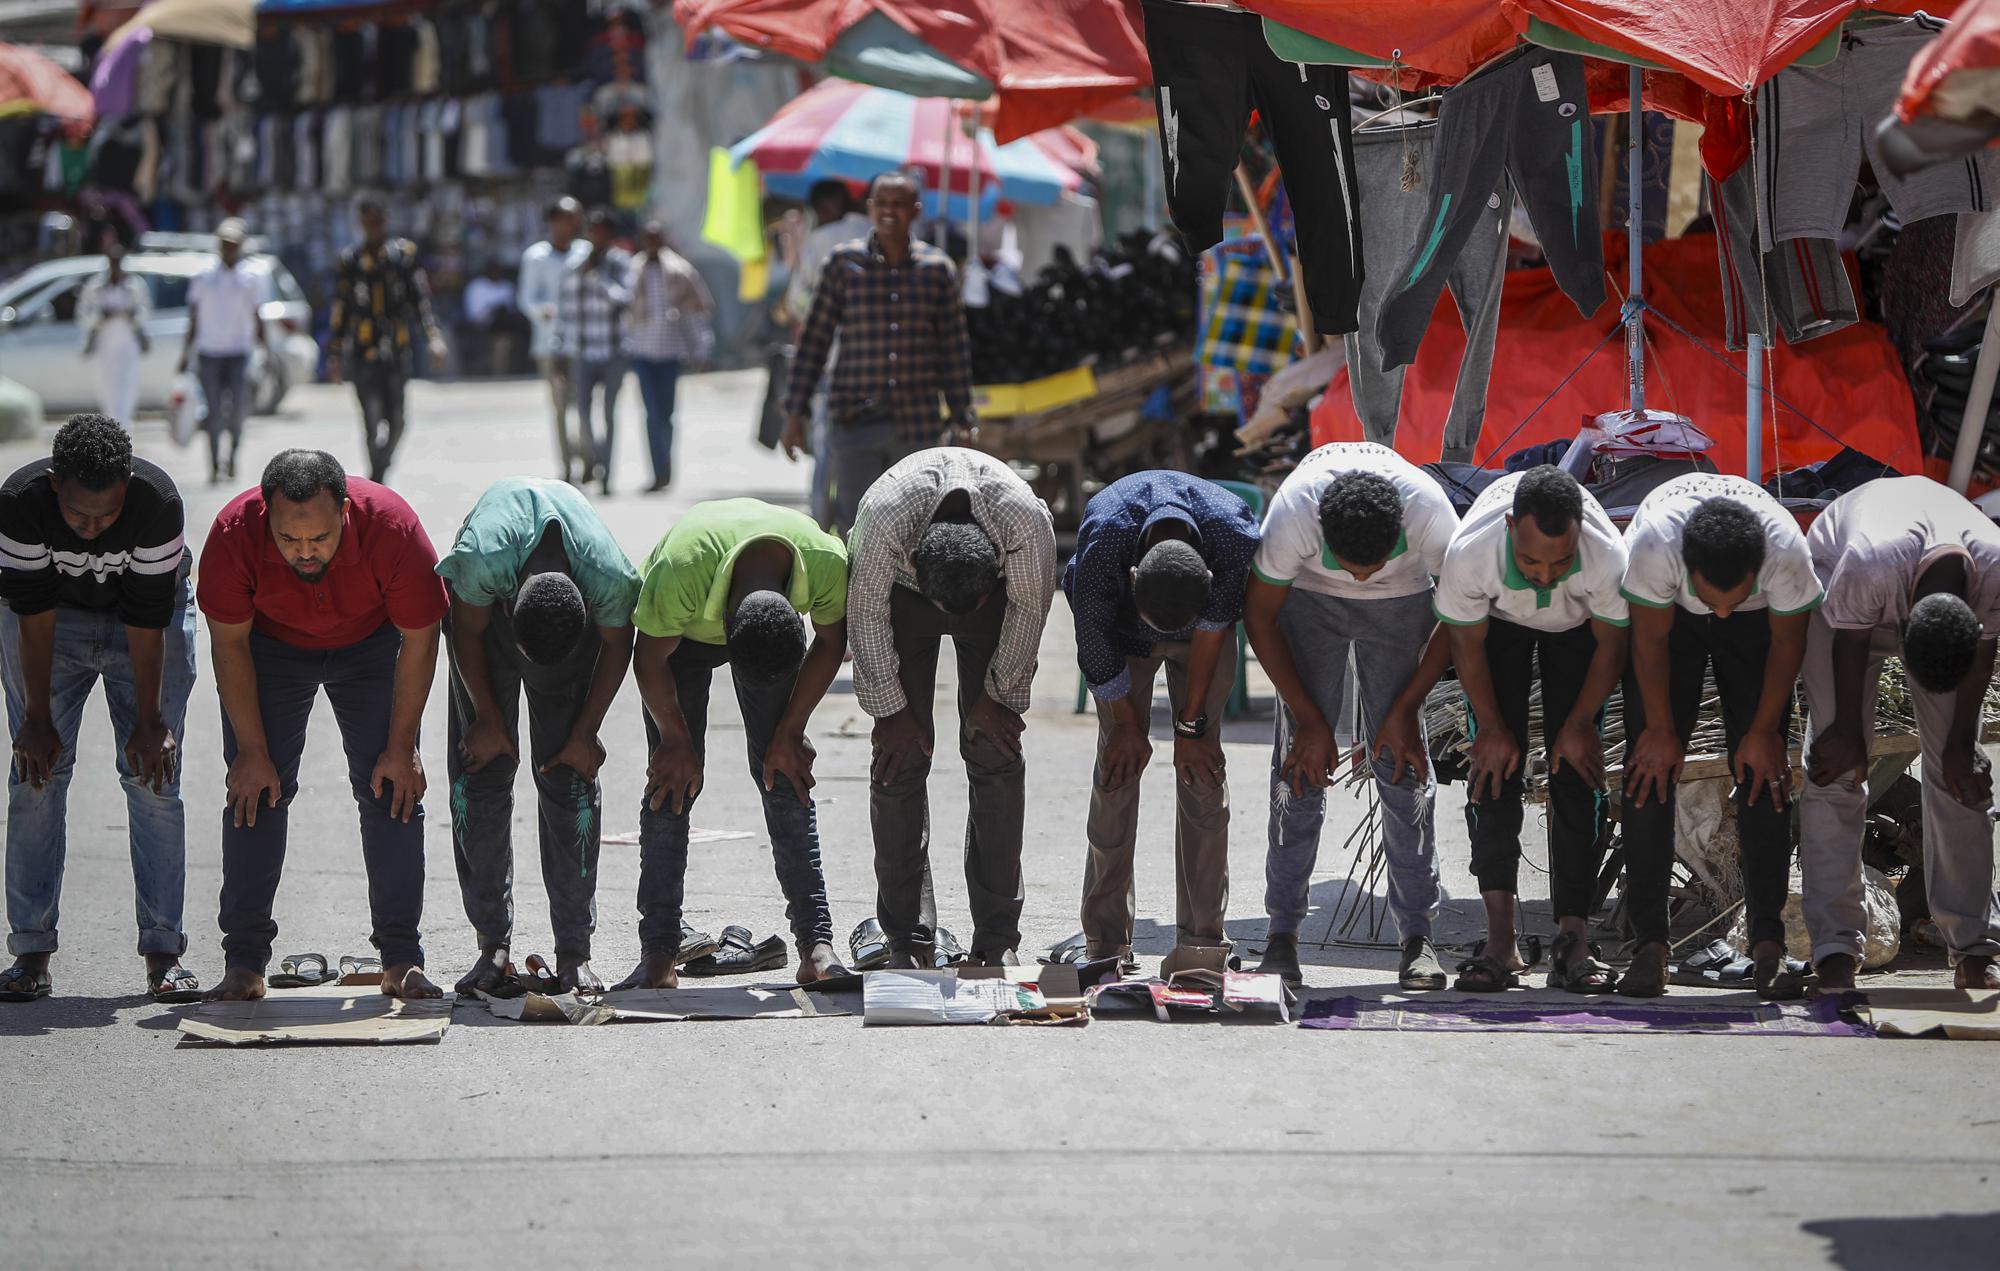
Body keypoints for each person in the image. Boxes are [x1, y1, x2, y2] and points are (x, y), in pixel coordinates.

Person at [195, 449, 448, 1002]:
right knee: (254, 791)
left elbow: (421, 639)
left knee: (393, 789)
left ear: (346, 513)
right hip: (270, 646)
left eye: (320, 539)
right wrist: (252, 751)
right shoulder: (234, 533)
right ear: (266, 517)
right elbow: (229, 645)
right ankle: (244, 962)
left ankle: (401, 958)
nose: (305, 552)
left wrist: (402, 746)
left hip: (369, 644)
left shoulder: (392, 526)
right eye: (289, 540)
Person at [1243, 443, 1462, 990]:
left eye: (1373, 567)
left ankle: (1417, 937)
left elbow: (1461, 615)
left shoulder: (1430, 514)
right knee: (1298, 771)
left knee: (1404, 769)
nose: (1361, 580)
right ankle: (1282, 935)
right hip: (1309, 603)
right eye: (1350, 567)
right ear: (1322, 538)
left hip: (1404, 604)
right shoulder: (1295, 513)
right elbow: (1261, 615)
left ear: (1400, 539)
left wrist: (1407, 710)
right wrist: (1309, 720)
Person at [0, 415, 197, 1003]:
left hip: (146, 626)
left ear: (126, 486)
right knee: (36, 776)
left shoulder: (157, 502)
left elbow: (146, 617)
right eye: (79, 515)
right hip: (52, 625)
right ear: (55, 483)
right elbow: (31, 614)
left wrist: (151, 721)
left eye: (107, 516)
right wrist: (35, 719)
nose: (91, 529)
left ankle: (163, 954)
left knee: (153, 779)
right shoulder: (18, 502)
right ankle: (30, 953)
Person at [620, 499, 853, 989]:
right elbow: (648, 657)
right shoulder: (680, 570)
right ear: (726, 626)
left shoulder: (828, 561)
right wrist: (675, 739)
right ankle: (658, 954)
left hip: (760, 629)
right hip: (677, 640)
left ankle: (817, 947)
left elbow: (831, 643)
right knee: (671, 783)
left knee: (786, 773)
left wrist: (791, 729)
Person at [848, 447, 1057, 967]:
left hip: (996, 594)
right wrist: (893, 716)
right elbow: (866, 614)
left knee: (995, 752)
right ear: (918, 562)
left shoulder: (1026, 525)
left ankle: (997, 938)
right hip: (900, 594)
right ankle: (907, 939)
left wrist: (997, 697)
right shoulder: (882, 518)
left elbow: (1029, 608)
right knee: (899, 760)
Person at [1618, 474, 1823, 999]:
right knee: (1649, 774)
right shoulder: (1655, 546)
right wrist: (1661, 731)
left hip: (1760, 631)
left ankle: (1768, 946)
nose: (1722, 611)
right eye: (1715, 599)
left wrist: (1762, 731)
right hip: (1671, 624)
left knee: (1765, 778)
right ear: (1689, 570)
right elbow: (1648, 640)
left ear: (1759, 569)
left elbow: (1787, 643)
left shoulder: (1785, 552)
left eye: (1733, 598)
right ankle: (1650, 946)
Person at [1428, 465, 1630, 993]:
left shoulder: (1607, 557)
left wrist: (1581, 723)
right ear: (1509, 527)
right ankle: (1501, 943)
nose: (1543, 575)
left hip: (1579, 631)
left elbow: (1613, 643)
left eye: (1559, 561)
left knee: (1577, 777)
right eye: (1530, 561)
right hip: (1497, 630)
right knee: (1494, 773)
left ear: (1580, 533)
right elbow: (1465, 644)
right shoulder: (1470, 556)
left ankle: (1573, 939)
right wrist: (1492, 726)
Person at [437, 477, 640, 996]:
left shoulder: (609, 578)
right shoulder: (483, 560)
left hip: (565, 639)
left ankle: (574, 952)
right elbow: (466, 631)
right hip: (483, 630)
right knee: (480, 770)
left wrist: (586, 731)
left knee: (569, 778)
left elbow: (618, 647)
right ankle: (492, 947)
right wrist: (486, 717)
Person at [1800, 476, 2000, 992]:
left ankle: (1974, 945)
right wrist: (1846, 730)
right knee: (1837, 769)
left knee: (1962, 778)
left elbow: (1982, 656)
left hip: (1924, 607)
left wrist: (1962, 741)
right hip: (1836, 599)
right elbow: (1849, 639)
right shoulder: (1872, 564)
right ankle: (1836, 949)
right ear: (1904, 629)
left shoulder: (1995, 569)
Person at [1065, 471, 1259, 973]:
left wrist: (1191, 730)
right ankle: (1105, 941)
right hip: (1121, 639)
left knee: (1202, 776)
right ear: (1132, 579)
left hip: (1204, 637)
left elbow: (1216, 631)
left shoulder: (1232, 538)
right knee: (1117, 773)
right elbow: (1093, 641)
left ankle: (1202, 941)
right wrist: (1127, 727)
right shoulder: (1105, 542)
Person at [781, 172, 976, 533]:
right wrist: (796, 413)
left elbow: (953, 349)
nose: (890, 212)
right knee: (859, 528)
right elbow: (814, 342)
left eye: (899, 205)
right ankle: (861, 593)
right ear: (870, 209)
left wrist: (963, 416)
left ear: (915, 211)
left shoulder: (937, 270)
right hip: (855, 421)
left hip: (917, 426)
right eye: (882, 204)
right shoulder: (843, 264)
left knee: (915, 529)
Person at [326, 198, 447, 485]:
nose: (374, 226)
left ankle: (379, 471)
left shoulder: (402, 256)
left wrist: (433, 337)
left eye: (378, 219)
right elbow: (341, 309)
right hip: (362, 353)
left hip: (396, 351)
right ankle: (376, 477)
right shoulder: (350, 261)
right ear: (361, 223)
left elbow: (420, 299)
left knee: (398, 421)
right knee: (371, 421)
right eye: (368, 220)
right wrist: (334, 353)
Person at [784, 180, 871, 526]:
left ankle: (818, 528)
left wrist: (819, 313)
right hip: (880, 373)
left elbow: (796, 300)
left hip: (831, 366)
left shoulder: (822, 242)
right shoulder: (888, 238)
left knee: (826, 454)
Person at [624, 221, 714, 493]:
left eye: (656, 238)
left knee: (667, 415)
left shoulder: (678, 270)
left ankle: (666, 466)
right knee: (652, 413)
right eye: (647, 239)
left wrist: (702, 348)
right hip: (642, 352)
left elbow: (698, 312)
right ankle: (657, 471)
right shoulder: (633, 270)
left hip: (671, 352)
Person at [179, 217, 266, 484]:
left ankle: (233, 457)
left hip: (239, 352)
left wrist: (266, 351)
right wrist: (186, 353)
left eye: (233, 244)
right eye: (224, 243)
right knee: (214, 412)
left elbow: (257, 316)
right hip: (210, 352)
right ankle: (215, 464)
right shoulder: (204, 277)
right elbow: (193, 318)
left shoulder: (251, 277)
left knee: (238, 410)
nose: (228, 248)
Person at [557, 207, 631, 497]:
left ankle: (607, 475)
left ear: (609, 235)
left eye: (601, 230)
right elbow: (566, 310)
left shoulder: (620, 263)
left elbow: (624, 299)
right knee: (584, 414)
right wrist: (561, 350)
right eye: (592, 230)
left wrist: (598, 278)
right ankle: (595, 459)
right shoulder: (575, 263)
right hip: (583, 351)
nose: (595, 236)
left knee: (609, 413)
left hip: (613, 351)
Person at [519, 197, 590, 481]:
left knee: (584, 403)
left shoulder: (585, 252)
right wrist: (542, 311)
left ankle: (589, 457)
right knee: (560, 406)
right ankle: (566, 464)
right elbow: (526, 298)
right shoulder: (535, 256)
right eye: (563, 219)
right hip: (549, 345)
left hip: (582, 343)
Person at [78, 227, 151, 427]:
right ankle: (111, 428)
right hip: (105, 344)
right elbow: (84, 314)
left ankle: (125, 429)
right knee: (106, 389)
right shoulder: (96, 286)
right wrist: (101, 317)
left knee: (127, 389)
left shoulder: (134, 285)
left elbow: (144, 313)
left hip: (127, 345)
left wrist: (130, 315)